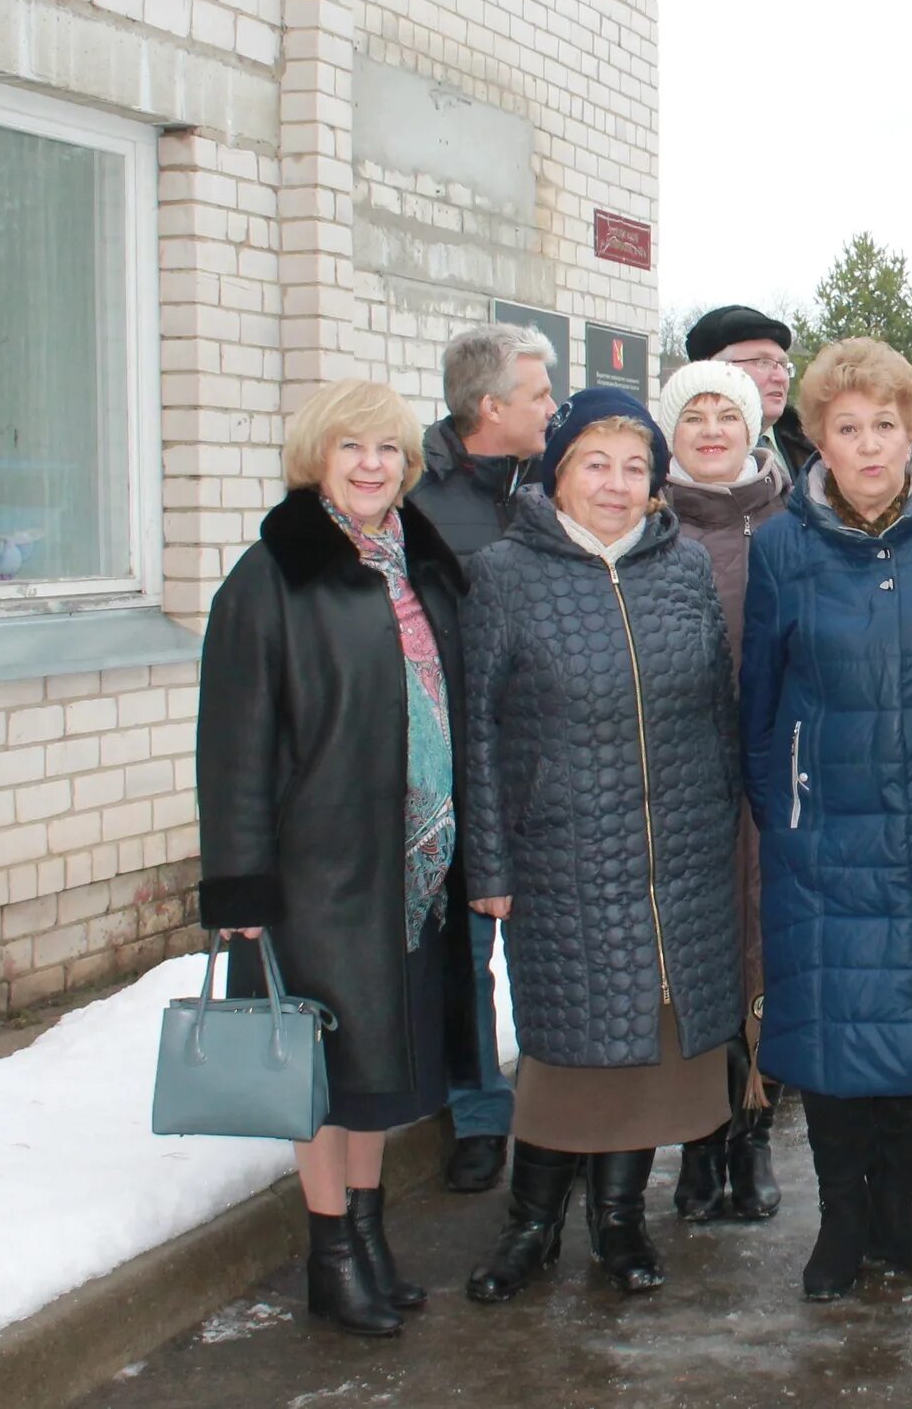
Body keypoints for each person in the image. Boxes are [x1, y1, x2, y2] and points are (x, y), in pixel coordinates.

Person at [197, 378, 479, 1337]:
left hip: (409, 866)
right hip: (313, 872)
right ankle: (331, 1251)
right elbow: (232, 743)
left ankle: (366, 1236)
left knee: (376, 1067)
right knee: (319, 1072)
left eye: (389, 450)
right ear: (317, 459)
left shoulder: (418, 567)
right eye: (352, 448)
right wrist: (240, 885)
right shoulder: (273, 576)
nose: (371, 466)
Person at [459, 388, 745, 1303]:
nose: (617, 486)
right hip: (562, 854)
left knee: (651, 1049)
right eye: (596, 463)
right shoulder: (505, 572)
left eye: (633, 467)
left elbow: (717, 711)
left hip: (681, 855)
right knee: (570, 1053)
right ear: (559, 473)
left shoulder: (684, 568)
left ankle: (619, 1223)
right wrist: (491, 866)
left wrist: (728, 828)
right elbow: (479, 731)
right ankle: (530, 1225)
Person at [741, 338, 912, 1302]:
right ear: (816, 438)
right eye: (846, 428)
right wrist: (786, 804)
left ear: (911, 430)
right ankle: (842, 1217)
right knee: (835, 1033)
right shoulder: (781, 545)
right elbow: (758, 698)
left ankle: (898, 1205)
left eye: (883, 425)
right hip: (824, 829)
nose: (867, 445)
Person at [407, 322, 557, 1195]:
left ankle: (555, 1105)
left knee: (553, 948)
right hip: (459, 768)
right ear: (491, 405)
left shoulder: (551, 489)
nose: (552, 407)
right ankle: (475, 1113)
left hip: (545, 767)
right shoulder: (419, 504)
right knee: (463, 952)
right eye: (538, 394)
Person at [657, 361, 793, 1229]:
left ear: (752, 430)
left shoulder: (791, 520)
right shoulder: (646, 525)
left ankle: (756, 1127)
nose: (711, 430)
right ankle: (699, 1137)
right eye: (693, 416)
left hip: (775, 780)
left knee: (765, 943)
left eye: (727, 415)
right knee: (695, 952)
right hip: (678, 785)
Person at [686, 304, 816, 480]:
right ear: (713, 370)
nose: (780, 377)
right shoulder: (681, 457)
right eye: (763, 362)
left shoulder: (814, 448)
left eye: (784, 365)